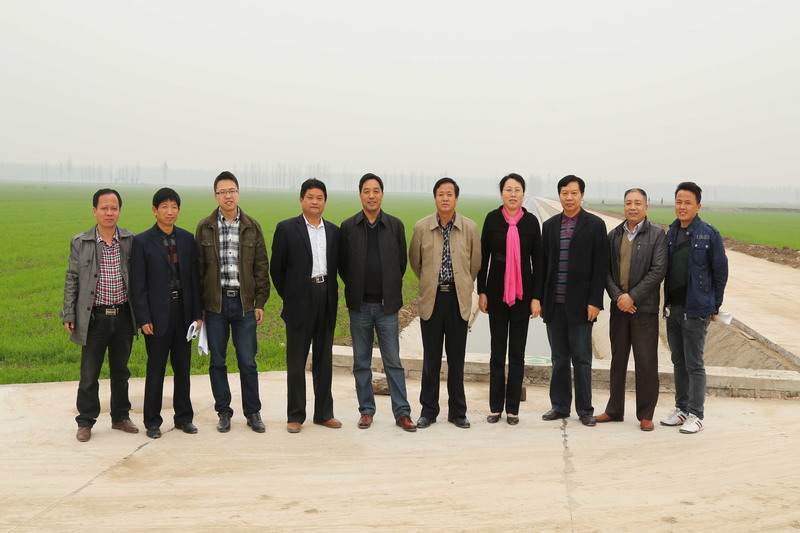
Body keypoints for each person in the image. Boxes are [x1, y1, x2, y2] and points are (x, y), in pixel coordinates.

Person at [339, 173, 416, 432]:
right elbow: (343, 266)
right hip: (359, 306)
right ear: (360, 194)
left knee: (392, 361)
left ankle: (402, 413)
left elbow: (401, 264)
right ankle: (366, 411)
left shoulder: (395, 226)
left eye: (376, 191)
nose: (371, 196)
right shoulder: (349, 227)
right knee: (361, 362)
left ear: (382, 194)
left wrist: (389, 289)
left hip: (387, 307)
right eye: (366, 191)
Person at [61, 189, 139, 442]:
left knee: (121, 371)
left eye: (114, 208)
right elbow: (72, 279)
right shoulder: (81, 242)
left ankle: (120, 417)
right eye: (104, 207)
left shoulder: (130, 240)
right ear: (94, 210)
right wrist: (69, 312)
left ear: (119, 211)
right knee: (89, 373)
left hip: (123, 316)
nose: (109, 212)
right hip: (94, 318)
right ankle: (85, 421)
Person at [195, 171, 270, 433]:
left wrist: (260, 302)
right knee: (217, 361)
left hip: (244, 304)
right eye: (223, 192)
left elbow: (261, 267)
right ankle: (224, 412)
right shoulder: (205, 227)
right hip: (215, 306)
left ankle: (253, 412)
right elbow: (199, 270)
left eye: (232, 191)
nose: (228, 196)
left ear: (238, 193)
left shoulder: (252, 226)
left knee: (248, 361)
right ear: (215, 195)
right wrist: (199, 308)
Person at [409, 177, 481, 429]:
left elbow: (475, 264)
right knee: (431, 359)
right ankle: (428, 411)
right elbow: (416, 263)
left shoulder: (469, 228)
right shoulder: (422, 227)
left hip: (458, 299)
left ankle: (458, 412)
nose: (445, 198)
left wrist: (463, 284)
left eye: (449, 194)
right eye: (441, 194)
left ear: (456, 198)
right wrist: (431, 282)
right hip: (432, 299)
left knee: (456, 359)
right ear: (435, 198)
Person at [131, 188, 203, 439]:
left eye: (174, 207)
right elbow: (138, 284)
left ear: (179, 210)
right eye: (164, 207)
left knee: (183, 368)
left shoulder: (186, 239)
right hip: (156, 316)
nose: (169, 211)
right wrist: (143, 318)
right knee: (156, 369)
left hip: (183, 313)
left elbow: (194, 279)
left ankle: (184, 418)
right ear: (155, 210)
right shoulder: (142, 241)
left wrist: (197, 314)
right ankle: (152, 421)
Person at [271, 179, 341, 434]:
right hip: (299, 300)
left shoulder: (333, 231)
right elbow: (276, 270)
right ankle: (295, 415)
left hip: (326, 297)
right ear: (301, 199)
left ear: (325, 201)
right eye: (310, 197)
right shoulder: (287, 229)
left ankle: (324, 413)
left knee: (324, 359)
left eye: (319, 197)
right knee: (296, 360)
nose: (315, 202)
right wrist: (291, 296)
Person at [597, 188, 667, 431]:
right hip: (619, 309)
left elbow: (658, 271)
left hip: (644, 309)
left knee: (646, 363)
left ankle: (646, 414)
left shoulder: (657, 235)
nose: (633, 207)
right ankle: (614, 410)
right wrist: (618, 297)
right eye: (629, 203)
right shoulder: (614, 235)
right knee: (617, 361)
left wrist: (632, 297)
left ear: (646, 207)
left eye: (638, 203)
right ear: (624, 206)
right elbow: (605, 271)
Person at [661, 182, 728, 434]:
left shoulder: (709, 234)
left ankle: (696, 414)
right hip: (674, 309)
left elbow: (720, 272)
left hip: (696, 310)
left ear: (698, 206)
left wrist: (714, 305)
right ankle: (681, 409)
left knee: (694, 363)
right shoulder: (670, 233)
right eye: (679, 201)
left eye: (688, 202)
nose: (682, 206)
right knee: (678, 361)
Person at [477, 173, 544, 425]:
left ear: (523, 194)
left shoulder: (531, 222)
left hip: (522, 296)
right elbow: (483, 258)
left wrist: (536, 297)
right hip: (495, 293)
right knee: (497, 354)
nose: (513, 194)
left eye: (517, 190)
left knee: (517, 354)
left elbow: (538, 263)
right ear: (501, 193)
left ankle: (513, 409)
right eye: (508, 189)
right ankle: (495, 407)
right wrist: (481, 291)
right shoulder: (492, 219)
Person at [541, 175, 608, 427]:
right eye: (564, 193)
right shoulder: (550, 226)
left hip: (582, 306)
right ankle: (559, 406)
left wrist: (595, 302)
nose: (569, 198)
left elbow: (600, 267)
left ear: (582, 195)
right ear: (559, 195)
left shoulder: (595, 225)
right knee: (559, 358)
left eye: (574, 193)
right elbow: (543, 266)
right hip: (554, 304)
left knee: (582, 359)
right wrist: (541, 301)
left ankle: (585, 409)